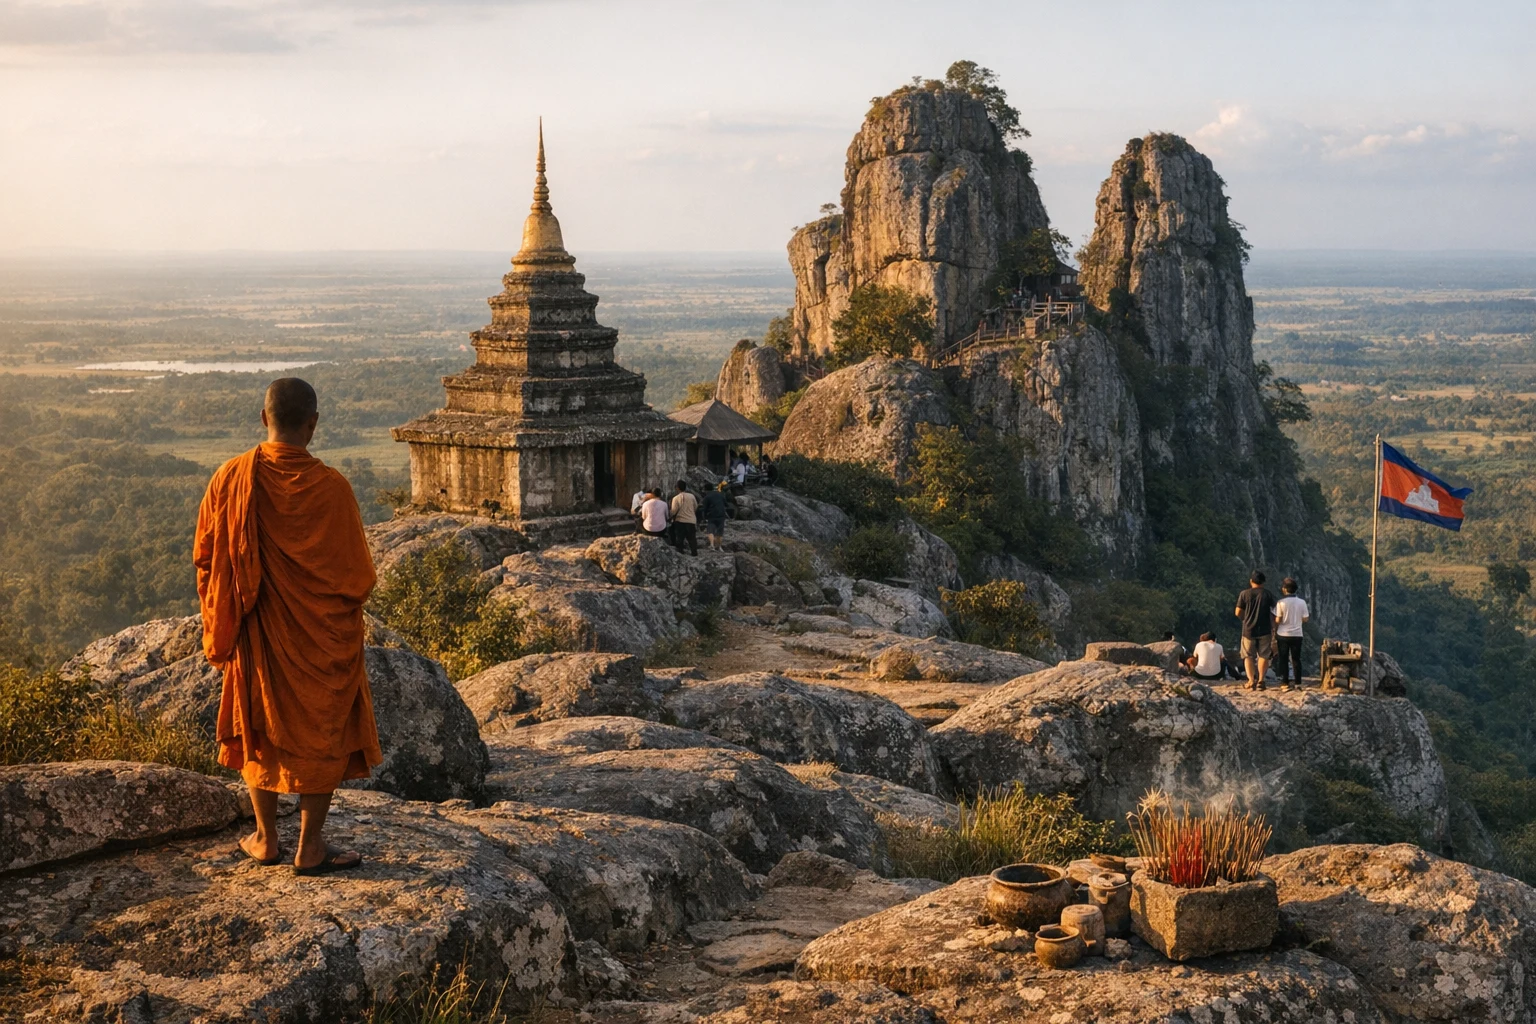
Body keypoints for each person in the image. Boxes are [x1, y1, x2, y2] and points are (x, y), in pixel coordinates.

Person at [195, 377, 380, 876]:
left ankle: (265, 837)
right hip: (322, 637)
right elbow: (358, 578)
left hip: (257, 631)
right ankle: (310, 846)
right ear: (313, 424)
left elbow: (207, 559)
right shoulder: (333, 488)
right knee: (323, 729)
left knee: (260, 723)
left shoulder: (230, 478)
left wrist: (229, 610)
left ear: (264, 418)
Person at [1234, 570, 1278, 691]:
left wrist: (1245, 619)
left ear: (1251, 581)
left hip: (1248, 630)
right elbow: (1276, 611)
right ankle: (1261, 681)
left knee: (1248, 656)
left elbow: (1237, 612)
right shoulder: (1268, 594)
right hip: (1265, 630)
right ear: (1263, 582)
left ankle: (1250, 681)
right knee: (1264, 655)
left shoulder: (1244, 594)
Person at [1274, 577, 1310, 686]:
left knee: (1283, 658)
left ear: (1285, 589)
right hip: (1297, 634)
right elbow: (1305, 619)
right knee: (1296, 658)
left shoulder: (1281, 603)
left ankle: (1285, 682)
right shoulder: (1302, 602)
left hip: (1283, 634)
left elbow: (1278, 620)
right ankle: (1298, 682)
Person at [670, 479, 699, 556]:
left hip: (680, 520)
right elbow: (696, 506)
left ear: (677, 488)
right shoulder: (692, 496)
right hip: (691, 520)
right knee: (692, 538)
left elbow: (673, 511)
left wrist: (670, 516)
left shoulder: (676, 498)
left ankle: (680, 552)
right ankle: (694, 552)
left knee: (680, 538)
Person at [701, 480, 730, 550]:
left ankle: (712, 545)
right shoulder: (720, 494)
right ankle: (719, 547)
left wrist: (704, 517)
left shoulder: (707, 497)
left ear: (705, 490)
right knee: (719, 532)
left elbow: (704, 508)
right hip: (721, 515)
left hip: (712, 516)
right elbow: (727, 505)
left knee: (710, 531)